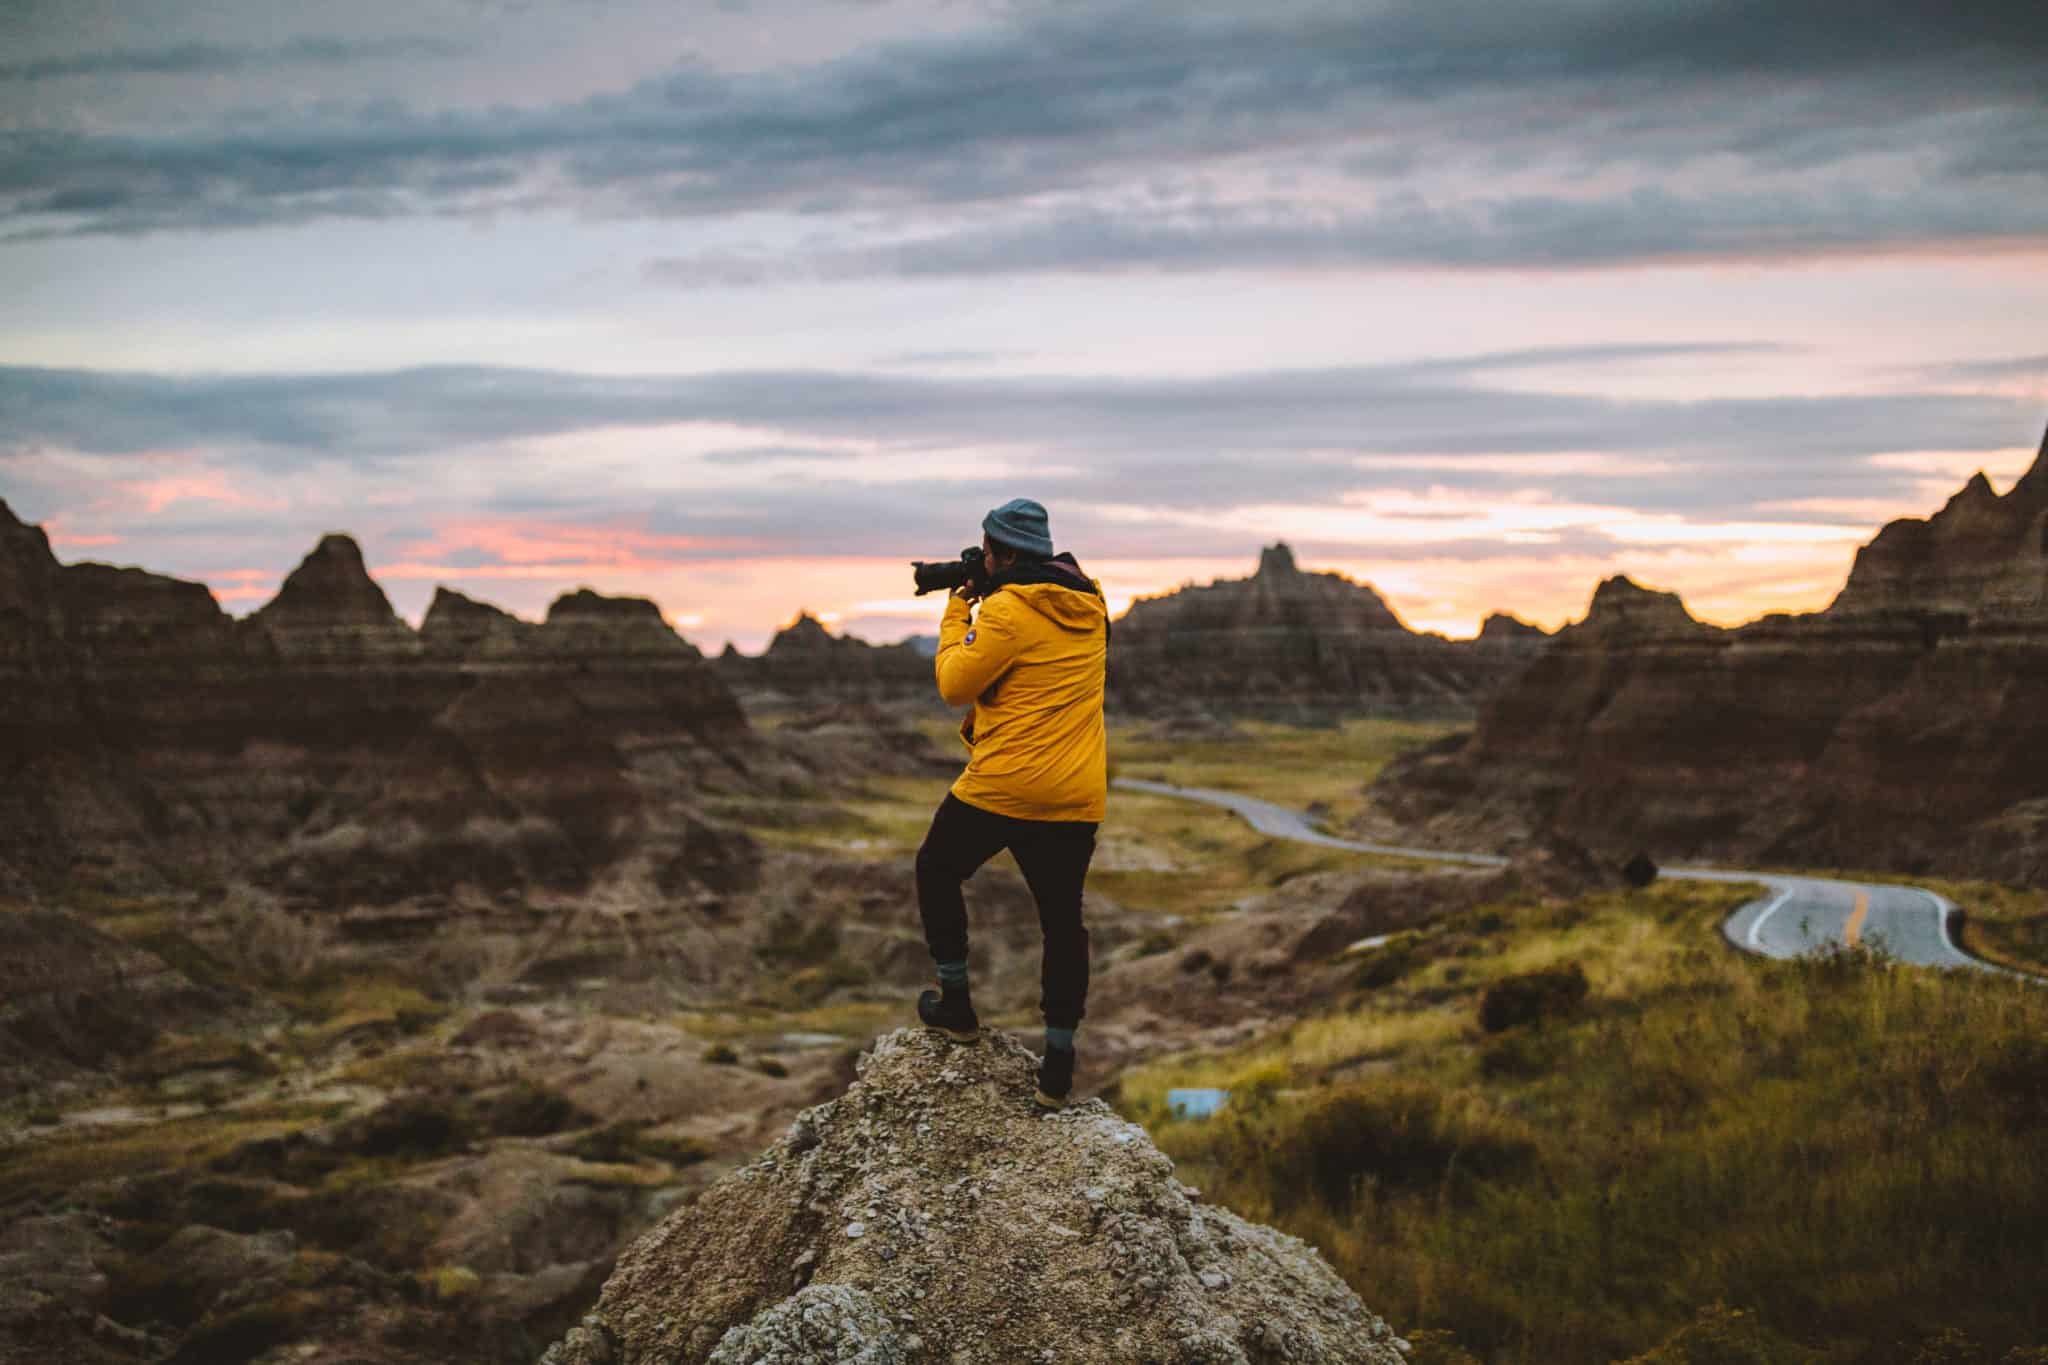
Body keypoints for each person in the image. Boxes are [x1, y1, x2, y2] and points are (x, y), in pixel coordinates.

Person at [914, 497, 1108, 1109]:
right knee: (1061, 921)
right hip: (1076, 792)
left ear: (1000, 554)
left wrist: (957, 606)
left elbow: (953, 684)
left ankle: (958, 1005)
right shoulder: (1092, 605)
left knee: (936, 869)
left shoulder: (1005, 611)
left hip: (1006, 785)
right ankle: (1057, 1066)